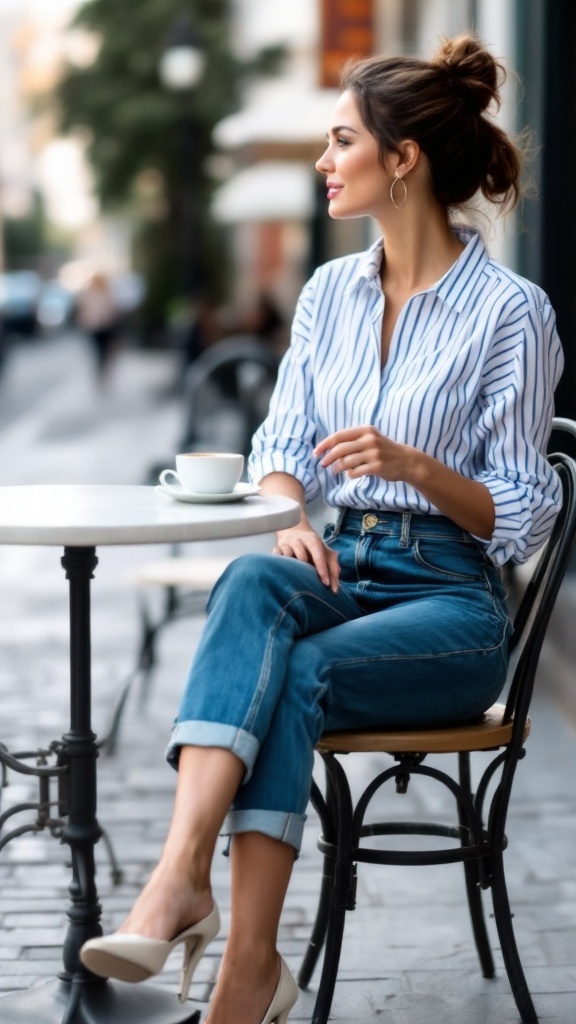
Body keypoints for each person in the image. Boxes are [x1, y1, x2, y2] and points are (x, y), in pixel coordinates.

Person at [80, 34, 564, 1024]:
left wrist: (414, 464)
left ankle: (236, 956)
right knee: (252, 584)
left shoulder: (513, 313)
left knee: (298, 673)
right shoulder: (330, 295)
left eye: (341, 140)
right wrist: (291, 511)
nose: (322, 160)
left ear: (402, 160)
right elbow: (282, 439)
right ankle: (186, 885)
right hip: (341, 559)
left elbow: (523, 512)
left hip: (451, 602)